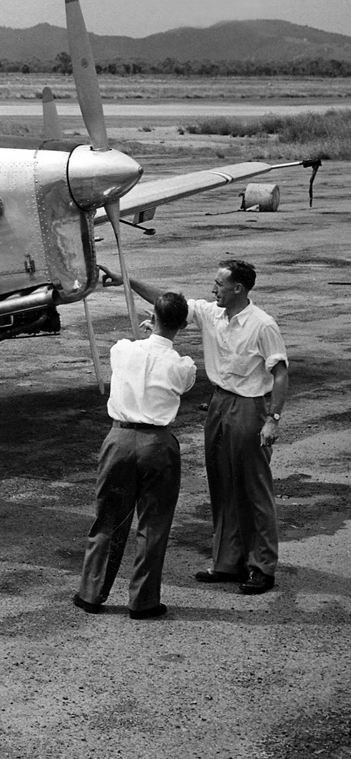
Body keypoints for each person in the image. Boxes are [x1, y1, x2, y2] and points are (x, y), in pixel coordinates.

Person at [102, 259, 289, 595]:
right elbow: (168, 303)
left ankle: (262, 566)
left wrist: (272, 420)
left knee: (253, 487)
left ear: (238, 289)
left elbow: (280, 373)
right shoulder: (210, 312)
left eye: (219, 284)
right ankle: (228, 562)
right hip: (219, 403)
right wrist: (126, 281)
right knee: (221, 482)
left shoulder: (263, 325)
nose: (212, 288)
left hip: (250, 406)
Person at [74, 292, 196, 619]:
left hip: (120, 437)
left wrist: (146, 335)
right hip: (158, 442)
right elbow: (182, 381)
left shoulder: (122, 349)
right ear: (183, 325)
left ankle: (91, 592)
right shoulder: (183, 366)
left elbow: (131, 351)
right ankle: (143, 601)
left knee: (108, 517)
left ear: (152, 317)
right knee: (154, 523)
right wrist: (158, 334)